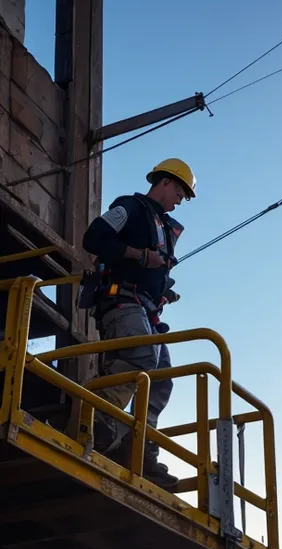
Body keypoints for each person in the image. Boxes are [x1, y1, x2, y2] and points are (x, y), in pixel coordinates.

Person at [81, 158, 196, 489]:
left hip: (146, 309)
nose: (180, 199)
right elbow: (95, 238)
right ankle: (100, 425)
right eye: (179, 191)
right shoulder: (130, 207)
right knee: (140, 357)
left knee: (162, 378)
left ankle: (142, 451)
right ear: (163, 182)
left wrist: (163, 289)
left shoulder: (163, 226)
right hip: (122, 301)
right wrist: (141, 256)